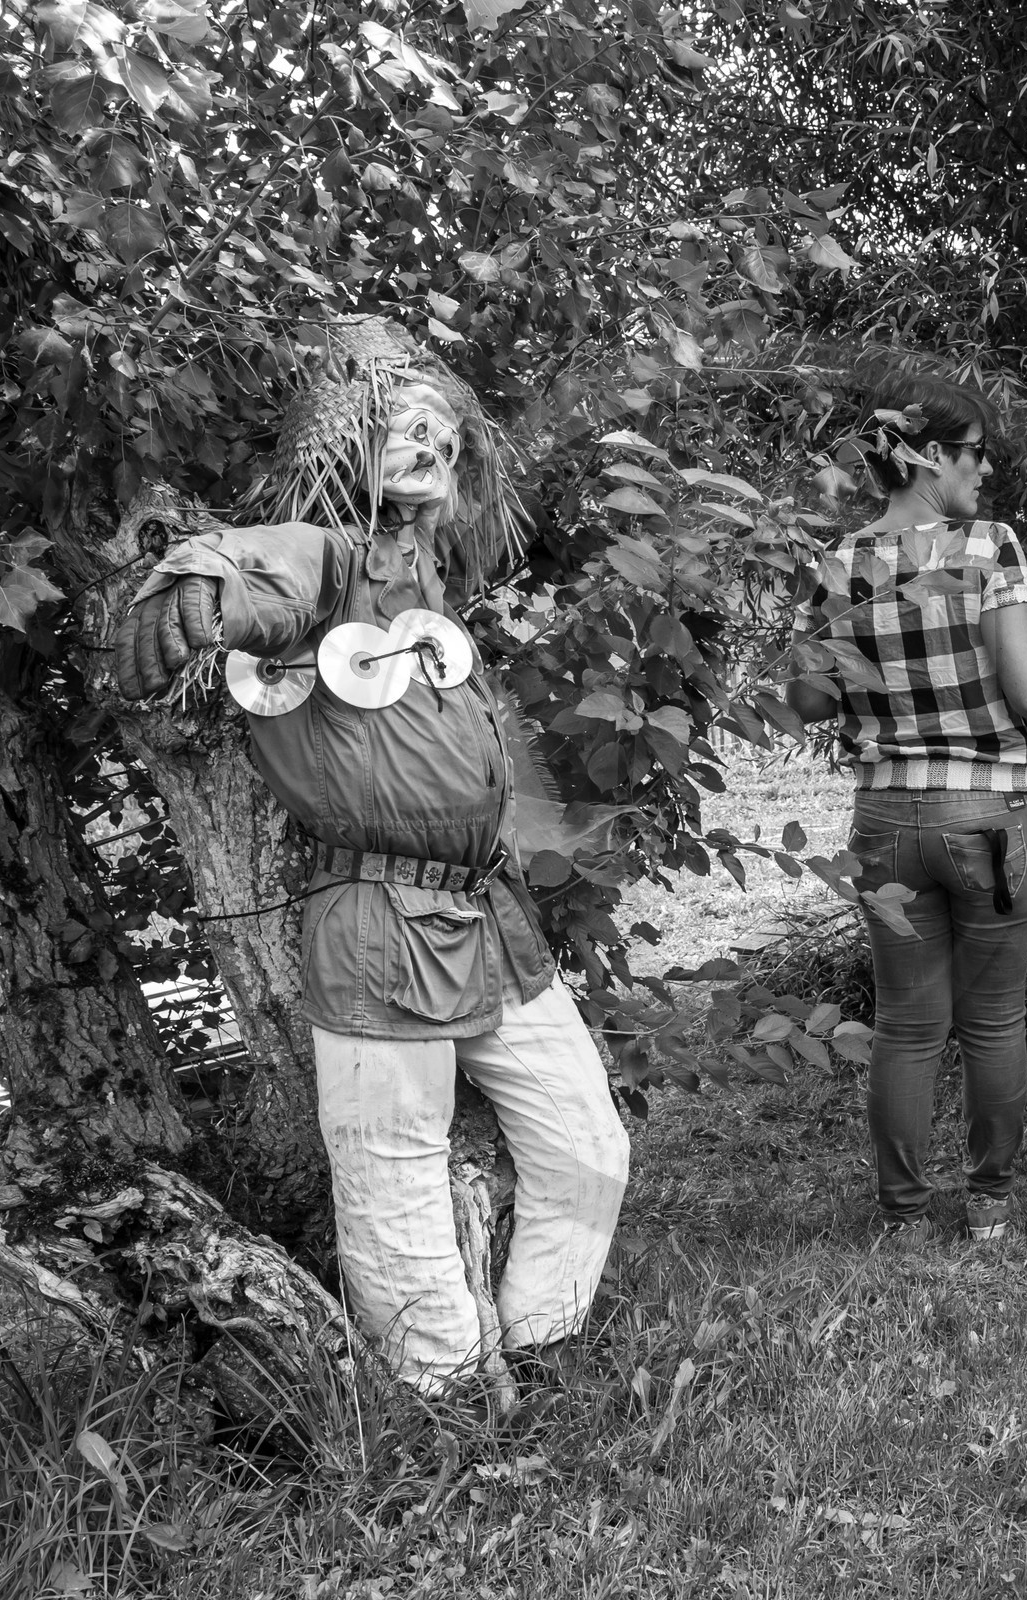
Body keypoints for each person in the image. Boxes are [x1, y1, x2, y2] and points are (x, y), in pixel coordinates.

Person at [116, 319, 631, 1389]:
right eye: (402, 427)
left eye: (442, 431)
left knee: (587, 1146)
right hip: (377, 922)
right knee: (391, 1185)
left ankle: (539, 1349)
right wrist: (198, 583)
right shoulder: (330, 557)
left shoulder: (426, 583)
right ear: (345, 446)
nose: (429, 444)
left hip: (491, 916)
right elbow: (258, 568)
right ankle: (442, 1401)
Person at [786, 372, 1027, 1246]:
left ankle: (905, 1216)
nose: (984, 471)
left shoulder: (836, 565)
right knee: (993, 1018)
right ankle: (989, 1203)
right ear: (928, 459)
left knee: (907, 1027)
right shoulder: (986, 546)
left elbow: (806, 703)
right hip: (991, 816)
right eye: (975, 454)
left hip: (884, 821)